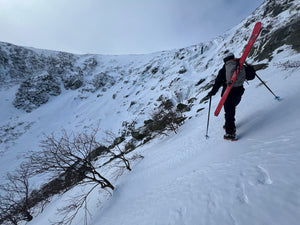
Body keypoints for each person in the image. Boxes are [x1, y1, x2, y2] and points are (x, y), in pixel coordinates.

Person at [207, 52, 256, 141]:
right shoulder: (241, 66)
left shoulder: (224, 69)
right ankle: (228, 125)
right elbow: (251, 76)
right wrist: (250, 68)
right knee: (231, 109)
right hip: (239, 92)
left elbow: (218, 82)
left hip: (228, 94)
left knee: (229, 112)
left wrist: (212, 92)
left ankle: (230, 133)